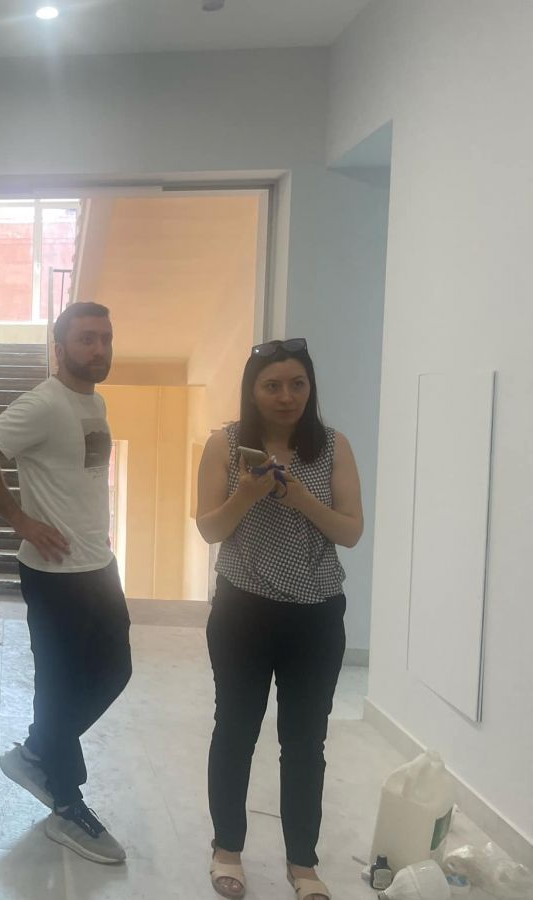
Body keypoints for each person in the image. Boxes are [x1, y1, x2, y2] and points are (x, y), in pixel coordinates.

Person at [0, 302, 131, 865]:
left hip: (96, 565)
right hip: (56, 575)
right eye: (86, 339)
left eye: (105, 338)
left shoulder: (94, 401)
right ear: (60, 349)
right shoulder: (44, 403)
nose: (98, 348)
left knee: (114, 671)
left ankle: (37, 752)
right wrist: (20, 519)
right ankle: (66, 803)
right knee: (60, 685)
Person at [195, 338, 364, 900]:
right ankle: (227, 849)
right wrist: (247, 495)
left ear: (310, 388)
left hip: (317, 615)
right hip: (243, 611)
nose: (286, 396)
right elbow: (210, 528)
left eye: (297, 384)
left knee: (305, 741)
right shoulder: (225, 445)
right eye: (272, 385)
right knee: (235, 730)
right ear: (252, 391)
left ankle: (303, 864)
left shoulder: (333, 446)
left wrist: (299, 499)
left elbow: (351, 531)